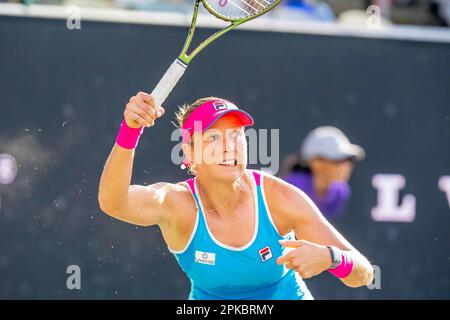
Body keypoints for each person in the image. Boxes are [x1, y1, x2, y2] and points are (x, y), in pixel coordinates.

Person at [98, 93, 373, 300]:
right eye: (213, 138)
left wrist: (331, 257)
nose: (229, 146)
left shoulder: (278, 197)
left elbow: (364, 273)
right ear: (189, 152)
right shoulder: (177, 204)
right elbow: (113, 202)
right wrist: (130, 130)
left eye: (236, 135)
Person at [281, 126, 365, 220]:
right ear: (316, 163)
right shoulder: (293, 188)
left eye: (348, 160)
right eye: (338, 160)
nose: (346, 166)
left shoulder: (340, 192)